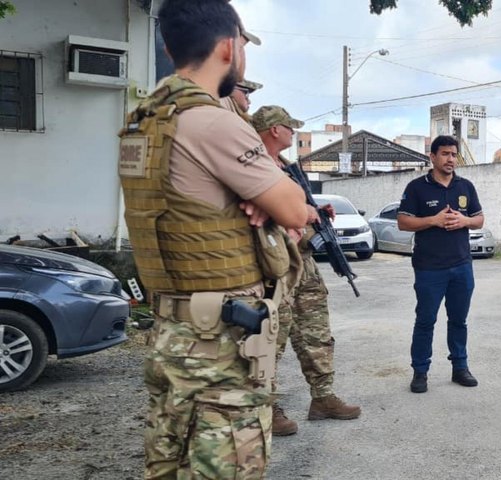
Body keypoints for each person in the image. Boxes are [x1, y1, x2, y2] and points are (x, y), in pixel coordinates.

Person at [118, 1, 307, 478]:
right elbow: (296, 210)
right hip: (219, 341)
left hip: (172, 332)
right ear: (229, 47)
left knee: (168, 460)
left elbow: (186, 203)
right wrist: (271, 202)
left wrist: (256, 198)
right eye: (243, 46)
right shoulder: (214, 122)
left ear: (167, 45)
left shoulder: (143, 123)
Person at [252, 105, 361, 436]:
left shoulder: (287, 167)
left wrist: (313, 211)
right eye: (289, 128)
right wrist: (301, 214)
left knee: (316, 330)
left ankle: (323, 398)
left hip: (305, 262)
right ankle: (265, 407)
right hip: (276, 265)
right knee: (272, 338)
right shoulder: (253, 165)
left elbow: (297, 207)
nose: (292, 133)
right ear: (274, 130)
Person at [397, 135, 484, 393]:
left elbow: (479, 219)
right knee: (425, 320)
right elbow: (403, 222)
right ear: (432, 157)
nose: (451, 159)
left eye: (454, 154)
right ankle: (420, 372)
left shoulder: (465, 186)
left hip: (461, 265)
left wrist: (464, 221)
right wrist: (432, 220)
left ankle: (460, 367)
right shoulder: (416, 188)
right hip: (429, 268)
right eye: (445, 154)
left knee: (459, 320)